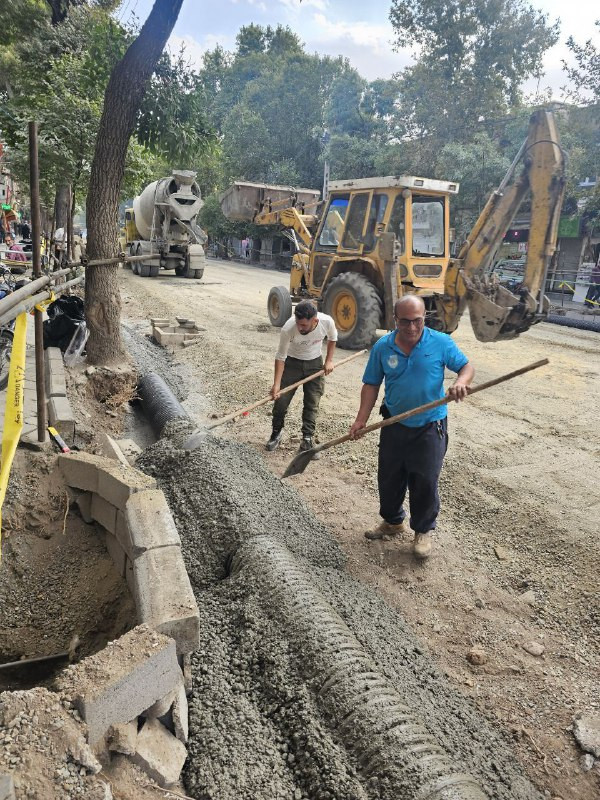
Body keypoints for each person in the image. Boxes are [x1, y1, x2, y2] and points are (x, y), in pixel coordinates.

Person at [349, 295, 474, 559]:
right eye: (404, 322)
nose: (411, 327)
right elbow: (371, 384)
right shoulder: (383, 347)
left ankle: (423, 531)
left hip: (430, 425)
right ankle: (393, 522)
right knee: (389, 477)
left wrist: (461, 382)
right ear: (395, 319)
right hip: (394, 422)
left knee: (425, 480)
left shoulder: (440, 342)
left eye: (417, 320)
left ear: (424, 317)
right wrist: (361, 419)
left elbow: (466, 367)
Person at [267, 299, 338, 454]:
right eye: (298, 323)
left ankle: (307, 439)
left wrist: (329, 361)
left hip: (315, 364)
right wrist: (277, 384)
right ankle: (276, 432)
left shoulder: (327, 322)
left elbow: (333, 338)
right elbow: (280, 357)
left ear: (315, 321)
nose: (300, 328)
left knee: (312, 402)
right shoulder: (288, 328)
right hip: (292, 364)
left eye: (304, 325)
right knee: (281, 401)